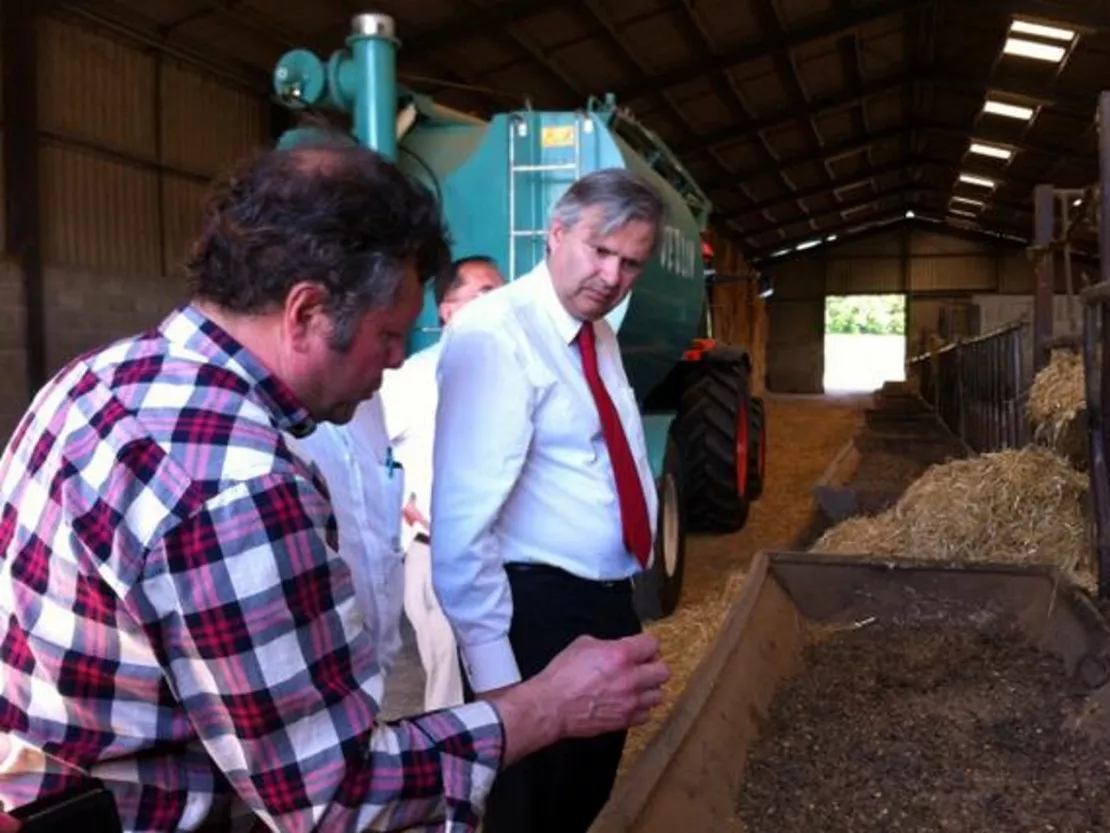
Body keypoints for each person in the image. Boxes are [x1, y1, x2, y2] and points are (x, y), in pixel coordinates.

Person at [0, 141, 670, 831]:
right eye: (389, 336)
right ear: (305, 311)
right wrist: (544, 706)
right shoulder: (239, 488)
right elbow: (332, 796)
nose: (395, 365)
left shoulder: (92, 380)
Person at [431, 168, 664, 833]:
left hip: (599, 600)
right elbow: (462, 524)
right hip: (535, 616)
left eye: (632, 264)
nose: (614, 276)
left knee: (579, 801)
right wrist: (503, 683)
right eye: (601, 251)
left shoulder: (596, 332)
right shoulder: (494, 335)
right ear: (556, 231)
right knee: (529, 811)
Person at [379, 255, 506, 713]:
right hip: (437, 551)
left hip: (505, 553)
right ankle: (454, 775)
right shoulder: (414, 377)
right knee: (450, 679)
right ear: (448, 310)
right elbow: (369, 452)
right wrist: (403, 505)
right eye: (486, 294)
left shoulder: (519, 371)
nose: (502, 304)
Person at [284, 392, 407, 699]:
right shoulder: (269, 425)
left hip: (374, 675)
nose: (396, 359)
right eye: (386, 339)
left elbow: (378, 534)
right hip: (306, 697)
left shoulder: (368, 401)